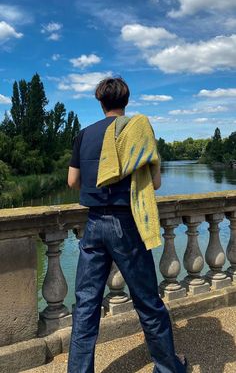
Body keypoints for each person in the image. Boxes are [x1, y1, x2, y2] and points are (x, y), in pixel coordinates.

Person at [67, 77, 187, 373]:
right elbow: (155, 183)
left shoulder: (84, 134)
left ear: (100, 102)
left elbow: (72, 182)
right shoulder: (139, 132)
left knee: (85, 306)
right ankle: (167, 368)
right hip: (128, 224)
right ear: (126, 101)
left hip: (94, 224)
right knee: (147, 302)